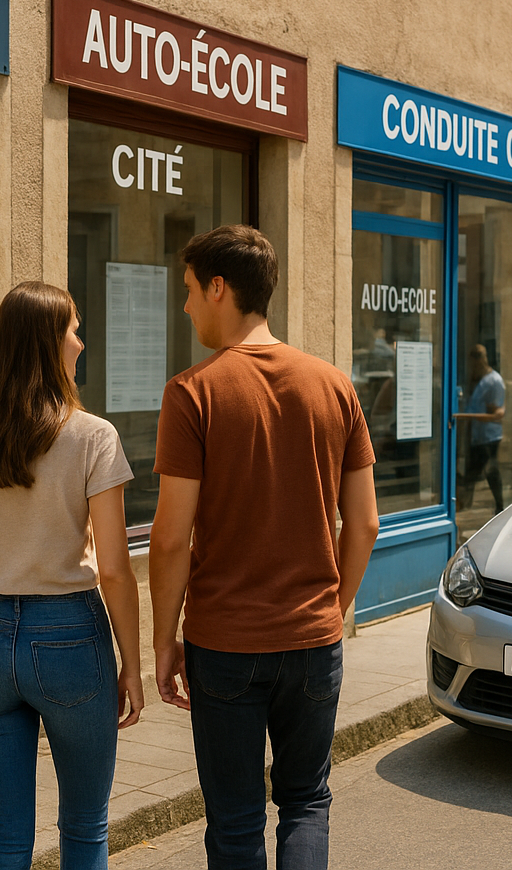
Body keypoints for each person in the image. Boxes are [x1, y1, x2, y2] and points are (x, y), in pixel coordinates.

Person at [149, 225, 381, 870]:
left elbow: (170, 537)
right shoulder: (334, 385)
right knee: (306, 800)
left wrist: (163, 640)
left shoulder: (192, 391)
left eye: (191, 290)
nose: (187, 305)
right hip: (313, 639)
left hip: (224, 644)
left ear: (220, 288)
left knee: (234, 817)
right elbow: (363, 524)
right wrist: (334, 608)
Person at [0, 281, 143, 870]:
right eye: (75, 330)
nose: (82, 341)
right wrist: (132, 662)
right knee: (83, 831)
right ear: (51, 342)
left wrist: (7, 561)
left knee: (3, 845)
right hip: (72, 637)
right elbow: (117, 572)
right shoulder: (92, 436)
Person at [456, 343, 507, 515]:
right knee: (479, 470)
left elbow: (497, 410)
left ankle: (494, 505)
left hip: (488, 435)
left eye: (478, 358)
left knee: (485, 470)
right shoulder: (479, 380)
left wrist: (489, 416)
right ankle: (467, 503)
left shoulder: (494, 381)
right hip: (477, 434)